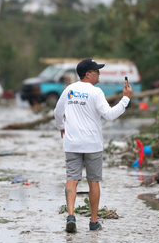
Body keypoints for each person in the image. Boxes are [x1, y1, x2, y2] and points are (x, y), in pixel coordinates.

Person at [54, 58, 132, 232]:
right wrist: (125, 99)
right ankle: (93, 222)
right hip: (92, 145)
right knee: (93, 182)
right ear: (88, 74)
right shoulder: (96, 92)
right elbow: (110, 115)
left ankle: (71, 215)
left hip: (72, 143)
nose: (99, 74)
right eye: (97, 71)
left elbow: (57, 112)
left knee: (72, 180)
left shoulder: (69, 90)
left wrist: (61, 127)